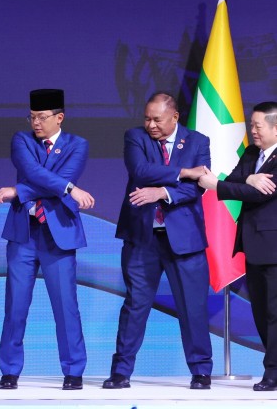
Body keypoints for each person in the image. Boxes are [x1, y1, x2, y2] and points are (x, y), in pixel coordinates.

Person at [104, 92, 213, 390]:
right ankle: (121, 372)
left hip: (185, 240)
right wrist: (183, 173)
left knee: (193, 307)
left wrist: (162, 193)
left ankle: (201, 371)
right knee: (135, 305)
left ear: (175, 117)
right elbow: (140, 170)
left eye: (157, 119)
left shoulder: (198, 141)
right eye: (147, 118)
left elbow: (198, 188)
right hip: (143, 238)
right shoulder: (135, 137)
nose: (150, 124)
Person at [0, 88, 95, 390]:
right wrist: (68, 189)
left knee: (66, 306)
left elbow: (37, 179)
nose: (35, 122)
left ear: (59, 117)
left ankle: (73, 370)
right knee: (15, 305)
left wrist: (19, 191)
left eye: (41, 117)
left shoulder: (78, 145)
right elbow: (32, 171)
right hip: (23, 233)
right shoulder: (21, 140)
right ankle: (10, 369)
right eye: (32, 117)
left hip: (59, 235)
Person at [199, 101, 277, 391]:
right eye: (252, 124)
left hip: (273, 246)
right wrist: (250, 177)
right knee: (260, 310)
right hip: (252, 244)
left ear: (275, 127)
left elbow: (259, 196)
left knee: (274, 312)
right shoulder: (252, 153)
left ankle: (272, 372)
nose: (253, 131)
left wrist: (214, 185)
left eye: (258, 126)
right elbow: (236, 181)